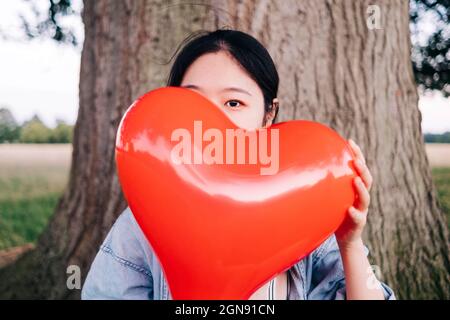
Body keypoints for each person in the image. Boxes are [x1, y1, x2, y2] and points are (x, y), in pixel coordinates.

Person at [82, 29, 396, 300]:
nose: (212, 121)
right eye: (195, 102)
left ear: (268, 114)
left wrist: (350, 243)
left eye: (234, 103)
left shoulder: (306, 214)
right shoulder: (143, 221)